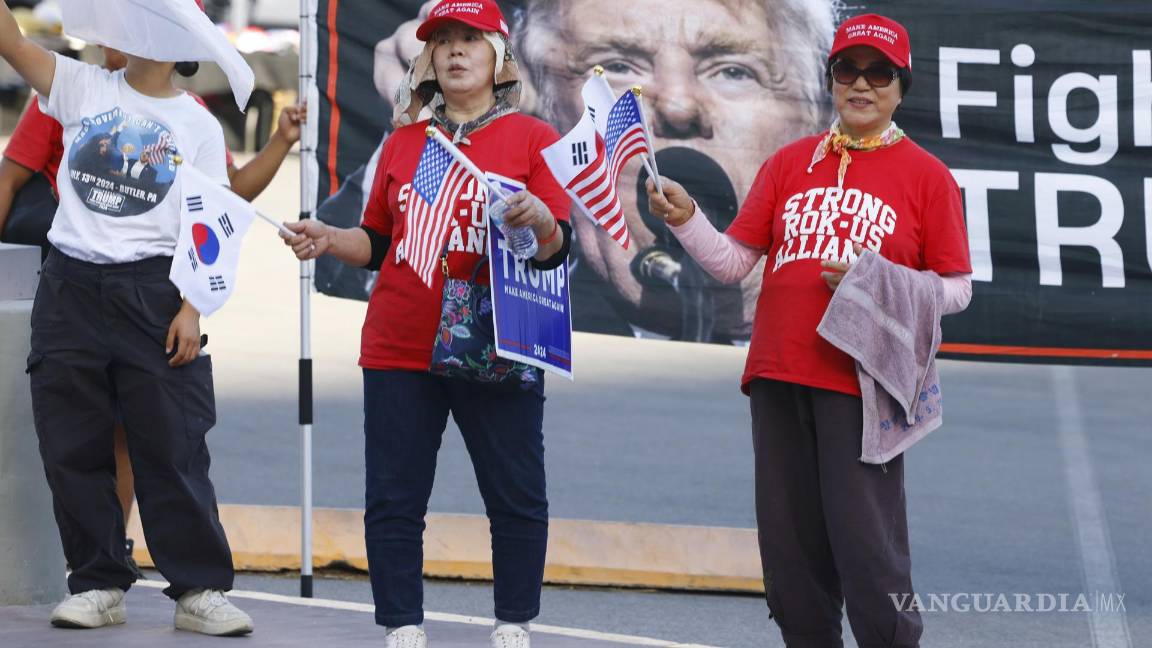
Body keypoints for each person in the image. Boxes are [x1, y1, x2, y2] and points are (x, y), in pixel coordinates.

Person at [647, 14, 972, 648]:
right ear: (830, 79)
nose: (861, 84)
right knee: (790, 549)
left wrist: (874, 279)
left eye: (879, 73)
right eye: (847, 70)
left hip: (861, 381)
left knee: (867, 547)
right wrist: (687, 220)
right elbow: (733, 262)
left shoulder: (926, 175)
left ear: (901, 86)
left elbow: (958, 290)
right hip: (776, 372)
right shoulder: (790, 162)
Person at [283, 2, 569, 647]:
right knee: (394, 496)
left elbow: (557, 249)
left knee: (516, 492)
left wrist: (541, 221)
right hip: (399, 343)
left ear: (500, 57)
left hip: (500, 340)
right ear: (427, 61)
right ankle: (403, 625)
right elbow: (378, 241)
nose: (456, 51)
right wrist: (331, 237)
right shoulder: (407, 142)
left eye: (471, 39)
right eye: (443, 42)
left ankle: (513, 622)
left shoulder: (533, 139)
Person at [0, 44, 306, 580]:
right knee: (74, 441)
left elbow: (220, 208)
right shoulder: (77, 85)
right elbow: (14, 57)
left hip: (150, 289)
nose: (120, 34)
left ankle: (196, 586)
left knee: (165, 442)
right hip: (69, 281)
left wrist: (193, 305)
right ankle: (98, 576)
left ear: (174, 40)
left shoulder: (197, 122)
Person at [512, 0, 837, 342]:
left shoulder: (839, 330)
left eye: (733, 71)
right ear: (546, 105)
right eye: (618, 65)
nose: (678, 106)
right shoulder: (524, 334)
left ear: (818, 115)